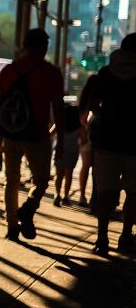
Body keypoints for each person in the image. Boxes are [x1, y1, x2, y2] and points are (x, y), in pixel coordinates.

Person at [0, 28, 65, 241]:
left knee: (11, 180)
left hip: (12, 133)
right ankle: (28, 208)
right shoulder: (52, 73)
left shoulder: (10, 70)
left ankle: (12, 225)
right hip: (38, 134)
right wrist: (60, 141)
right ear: (45, 47)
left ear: (24, 45)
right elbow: (58, 108)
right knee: (41, 180)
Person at [85, 33, 136, 255]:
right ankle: (125, 235)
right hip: (135, 144)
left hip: (107, 141)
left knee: (105, 192)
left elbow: (93, 105)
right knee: (134, 193)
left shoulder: (106, 73)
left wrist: (107, 116)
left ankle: (102, 236)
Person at [52, 104, 82, 206]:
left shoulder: (59, 124)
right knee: (69, 174)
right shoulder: (79, 127)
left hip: (60, 150)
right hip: (73, 151)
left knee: (59, 175)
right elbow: (85, 140)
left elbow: (49, 134)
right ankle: (66, 196)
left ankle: (57, 194)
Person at [77, 72, 98, 208]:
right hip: (93, 139)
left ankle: (83, 195)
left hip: (85, 139)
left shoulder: (83, 103)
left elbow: (80, 123)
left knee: (86, 167)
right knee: (94, 169)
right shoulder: (96, 103)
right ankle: (89, 197)